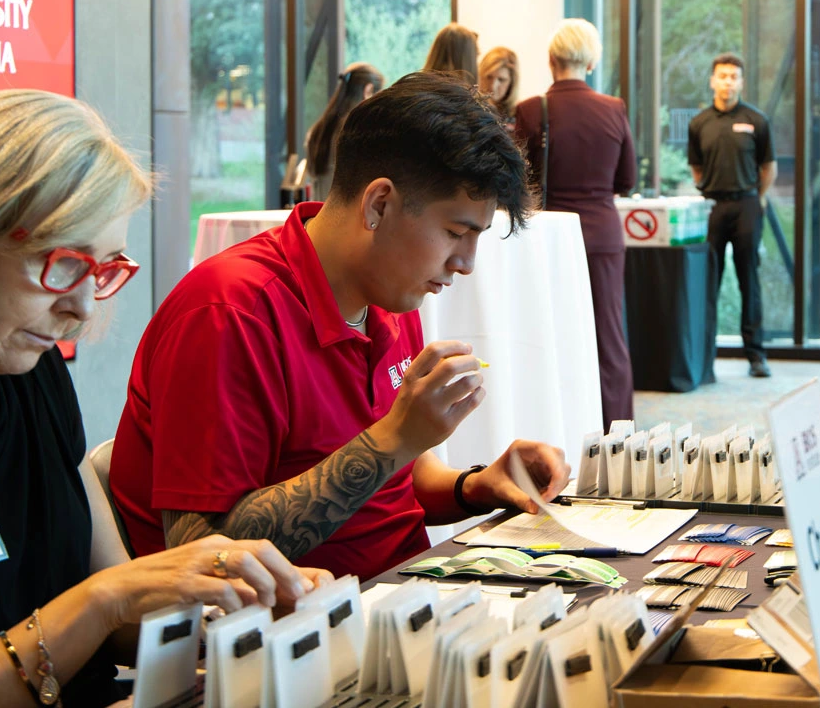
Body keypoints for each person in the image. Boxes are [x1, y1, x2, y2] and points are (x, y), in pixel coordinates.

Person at [0, 91, 327, 708]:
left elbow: (115, 617)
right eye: (64, 265)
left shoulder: (29, 374)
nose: (83, 306)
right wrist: (96, 605)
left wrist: (229, 610)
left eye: (104, 269)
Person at [111, 73, 571, 581]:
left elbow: (389, 484)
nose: (466, 263)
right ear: (379, 205)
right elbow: (204, 552)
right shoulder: (229, 313)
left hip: (405, 597)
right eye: (455, 232)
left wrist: (475, 485)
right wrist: (394, 438)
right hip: (290, 635)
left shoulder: (390, 299)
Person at [514, 20, 637, 426]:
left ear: (551, 61)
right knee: (609, 338)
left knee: (548, 334)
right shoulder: (614, 109)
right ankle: (617, 432)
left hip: (548, 239)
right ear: (592, 61)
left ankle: (556, 424)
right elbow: (627, 180)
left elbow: (517, 181)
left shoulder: (531, 111)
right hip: (601, 235)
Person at [688, 53, 776, 379]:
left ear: (741, 82)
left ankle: (756, 356)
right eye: (722, 75)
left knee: (748, 281)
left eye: (734, 76)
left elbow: (769, 168)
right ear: (713, 80)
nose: (728, 81)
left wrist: (758, 197)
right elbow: (696, 168)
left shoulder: (757, 120)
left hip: (747, 207)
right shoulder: (699, 124)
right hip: (711, 208)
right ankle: (705, 357)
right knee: (707, 282)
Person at [302, 61, 385, 199]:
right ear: (368, 90)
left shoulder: (319, 130)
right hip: (345, 216)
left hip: (319, 213)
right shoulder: (358, 130)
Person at [479, 46, 520, 126]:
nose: (493, 86)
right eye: (489, 77)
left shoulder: (520, 116)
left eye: (501, 80)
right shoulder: (471, 110)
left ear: (512, 83)